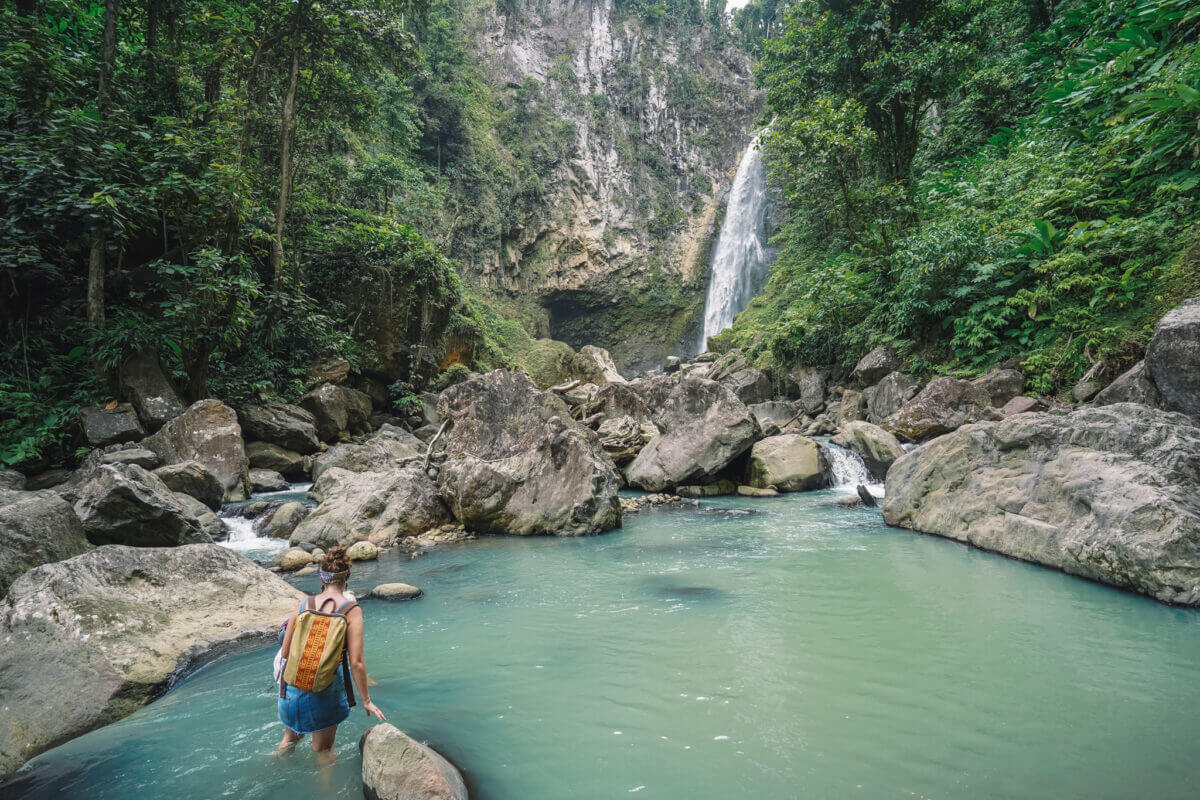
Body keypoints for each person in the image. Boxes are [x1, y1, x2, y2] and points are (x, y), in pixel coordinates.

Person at [276, 546, 386, 762]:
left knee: (289, 739)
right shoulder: (351, 610)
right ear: (347, 577)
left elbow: (286, 652)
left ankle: (270, 773)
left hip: (291, 690)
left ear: (321, 577)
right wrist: (366, 700)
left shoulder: (303, 604)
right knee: (324, 751)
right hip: (324, 693)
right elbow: (356, 662)